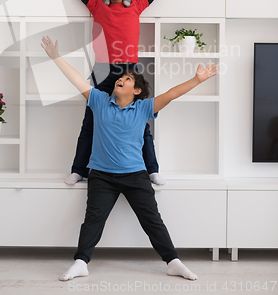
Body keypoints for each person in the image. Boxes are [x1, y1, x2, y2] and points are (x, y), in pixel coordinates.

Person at [41, 36, 217, 281]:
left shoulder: (144, 108)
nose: (120, 80)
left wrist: (197, 80)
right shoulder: (100, 101)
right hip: (101, 176)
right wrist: (55, 57)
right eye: (120, 78)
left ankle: (173, 261)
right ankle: (81, 262)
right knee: (92, 220)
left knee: (152, 220)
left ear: (136, 91)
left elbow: (171, 94)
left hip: (135, 175)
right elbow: (77, 80)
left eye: (127, 79)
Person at [58, 0, 172, 186]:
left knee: (141, 123)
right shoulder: (97, 6)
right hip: (101, 71)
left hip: (130, 70)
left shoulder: (137, 5)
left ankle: (152, 169)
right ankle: (79, 170)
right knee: (90, 122)